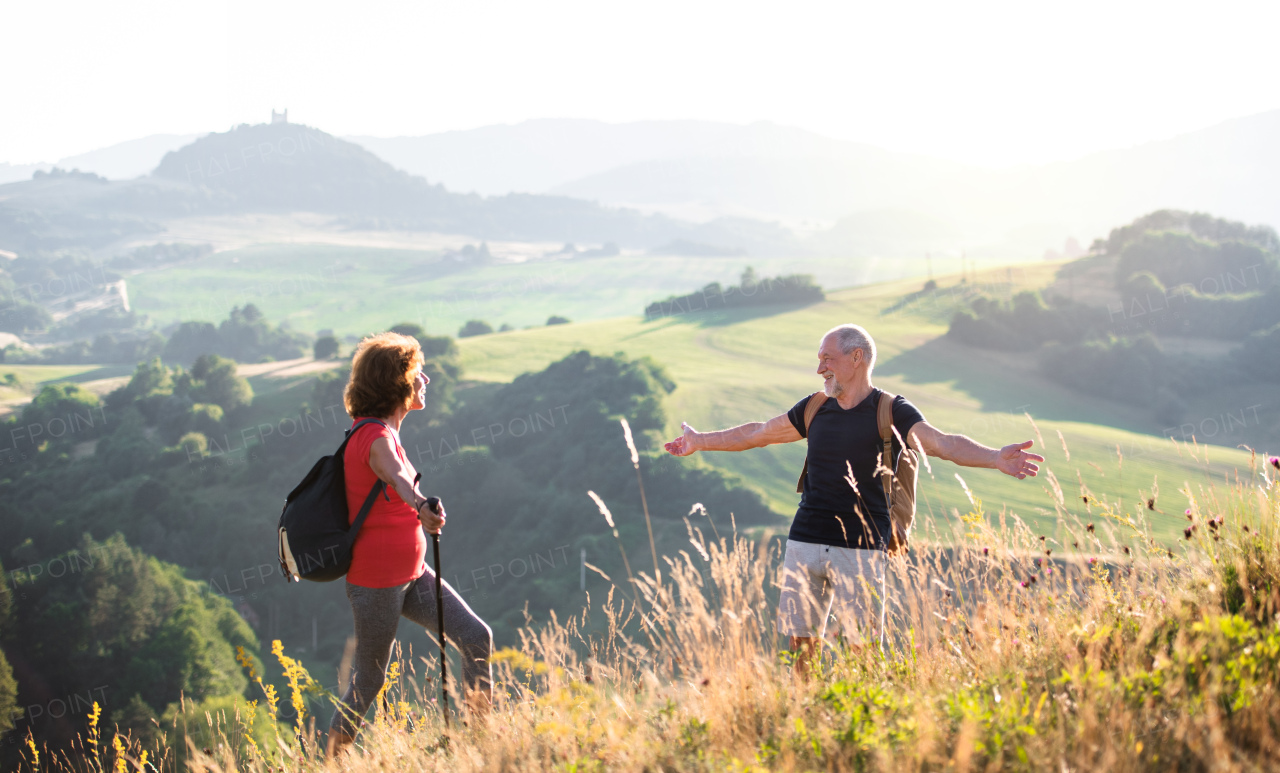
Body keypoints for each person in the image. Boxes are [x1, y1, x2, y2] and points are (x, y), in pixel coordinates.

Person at [663, 324, 1043, 673]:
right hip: (804, 543)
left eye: (827, 359)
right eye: (819, 361)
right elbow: (757, 433)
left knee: (861, 652)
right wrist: (700, 441)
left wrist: (994, 457)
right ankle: (804, 721)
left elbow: (942, 444)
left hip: (860, 551)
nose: (820, 369)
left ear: (856, 357)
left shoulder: (891, 411)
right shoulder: (814, 407)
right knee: (799, 652)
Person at [327, 332, 492, 756]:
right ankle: (328, 760)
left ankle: (481, 741)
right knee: (368, 681)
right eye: (418, 373)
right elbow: (395, 476)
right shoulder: (373, 437)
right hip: (377, 584)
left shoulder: (385, 432)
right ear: (396, 383)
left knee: (475, 636)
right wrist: (421, 504)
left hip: (413, 574)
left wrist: (420, 514)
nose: (427, 380)